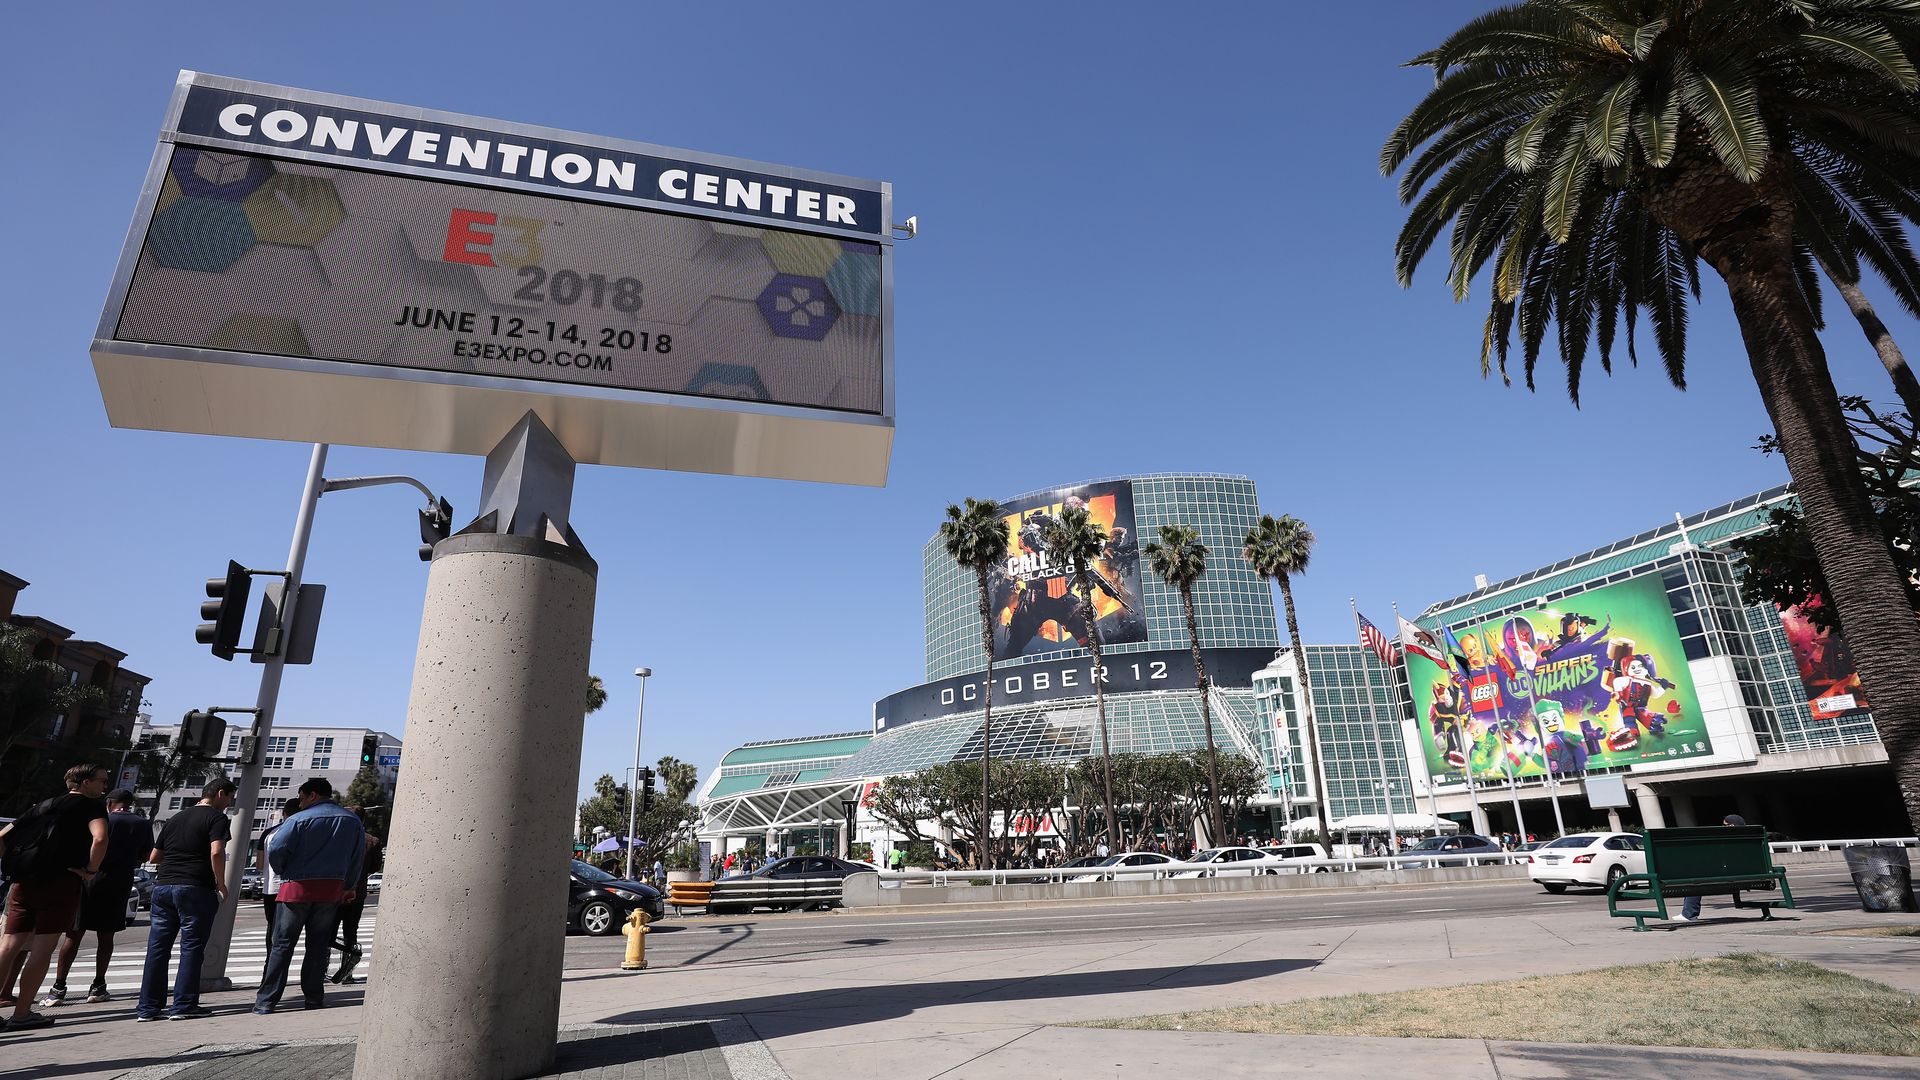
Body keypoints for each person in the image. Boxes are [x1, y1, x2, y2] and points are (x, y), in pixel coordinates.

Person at [0, 763, 110, 1032]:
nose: (105, 787)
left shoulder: (45, 804)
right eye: (101, 781)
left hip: (23, 884)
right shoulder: (91, 807)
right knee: (41, 950)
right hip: (61, 883)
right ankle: (22, 1013)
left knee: (7, 947)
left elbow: (2, 836)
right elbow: (100, 837)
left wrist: (14, 865)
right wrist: (90, 871)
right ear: (85, 783)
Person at [255, 778, 364, 1014]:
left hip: (296, 887)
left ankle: (266, 1000)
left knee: (282, 944)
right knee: (317, 945)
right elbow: (357, 856)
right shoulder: (351, 820)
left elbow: (277, 850)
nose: (301, 803)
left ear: (312, 795)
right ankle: (314, 997)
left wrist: (285, 870)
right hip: (331, 888)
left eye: (302, 798)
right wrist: (349, 885)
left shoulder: (297, 819)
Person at [41, 787, 152, 1007]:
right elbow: (146, 854)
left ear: (110, 802)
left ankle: (58, 988)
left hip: (90, 877)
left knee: (74, 934)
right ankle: (98, 985)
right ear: (129, 804)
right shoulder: (141, 824)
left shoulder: (101, 819)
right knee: (106, 936)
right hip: (120, 881)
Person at [137, 776, 235, 1022]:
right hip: (195, 888)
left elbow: (154, 857)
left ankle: (148, 1008)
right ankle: (183, 1005)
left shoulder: (176, 818)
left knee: (158, 949)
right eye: (230, 798)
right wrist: (221, 883)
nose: (229, 804)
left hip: (163, 887)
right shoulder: (217, 818)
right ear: (221, 793)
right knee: (191, 948)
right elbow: (216, 851)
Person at [328, 808, 381, 985]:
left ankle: (321, 968)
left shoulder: (337, 837)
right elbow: (375, 867)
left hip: (334, 891)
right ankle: (347, 972)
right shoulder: (372, 841)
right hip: (357, 893)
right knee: (351, 932)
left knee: (328, 931)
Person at [1674, 814, 1748, 923]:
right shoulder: (1751, 838)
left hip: (1726, 876)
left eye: (1725, 825)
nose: (1723, 827)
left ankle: (1689, 913)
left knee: (1696, 878)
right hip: (1747, 875)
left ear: (1731, 825)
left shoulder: (1724, 840)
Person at [258, 798, 304, 948]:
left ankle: (268, 965)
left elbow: (259, 865)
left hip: (270, 888)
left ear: (284, 813)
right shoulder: (302, 832)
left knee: (271, 926)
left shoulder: (268, 833)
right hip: (292, 887)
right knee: (288, 931)